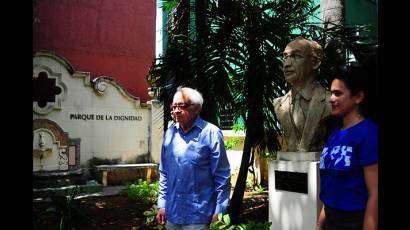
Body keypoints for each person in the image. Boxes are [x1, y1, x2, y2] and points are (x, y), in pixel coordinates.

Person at [156, 86, 231, 230]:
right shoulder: (170, 133)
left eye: (182, 106)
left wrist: (220, 211)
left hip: (199, 217)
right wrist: (162, 204)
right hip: (172, 214)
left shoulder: (211, 134)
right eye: (174, 106)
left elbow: (222, 176)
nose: (176, 110)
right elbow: (164, 172)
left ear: (197, 108)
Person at [317, 65, 378, 230]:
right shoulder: (334, 136)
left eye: (338, 93)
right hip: (330, 220)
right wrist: (320, 222)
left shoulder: (369, 134)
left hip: (354, 221)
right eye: (331, 92)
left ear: (358, 97)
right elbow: (332, 183)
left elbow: (375, 193)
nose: (331, 98)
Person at [273, 37, 332, 152]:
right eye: (285, 57)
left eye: (296, 56)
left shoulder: (330, 102)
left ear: (315, 62)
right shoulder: (278, 104)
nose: (286, 64)